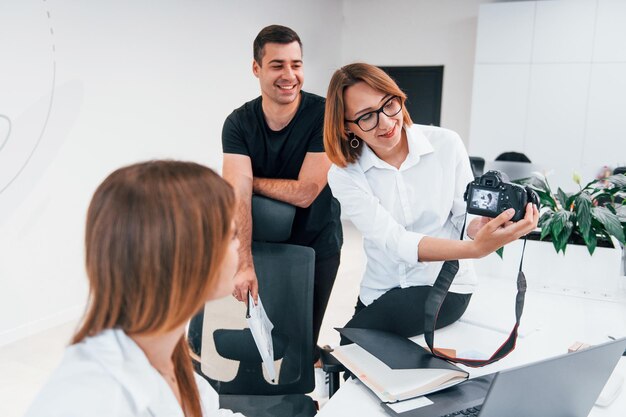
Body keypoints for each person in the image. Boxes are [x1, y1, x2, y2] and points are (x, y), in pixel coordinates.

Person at [323, 63, 538, 343]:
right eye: (366, 117)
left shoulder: (446, 143)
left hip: (445, 285)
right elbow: (394, 240)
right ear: (346, 127)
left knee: (352, 342)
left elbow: (464, 217)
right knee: (354, 355)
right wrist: (474, 249)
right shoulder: (344, 174)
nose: (386, 123)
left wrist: (482, 227)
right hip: (380, 288)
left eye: (389, 104)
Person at [26, 161, 244, 417]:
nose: (239, 246)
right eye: (232, 236)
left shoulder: (168, 355)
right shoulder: (86, 397)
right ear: (187, 257)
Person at [221, 25, 342, 365]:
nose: (289, 75)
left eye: (296, 64)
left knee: (304, 341)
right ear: (256, 68)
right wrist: (244, 261)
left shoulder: (323, 113)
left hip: (317, 243)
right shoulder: (238, 123)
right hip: (263, 245)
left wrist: (247, 180)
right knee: (267, 338)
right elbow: (235, 196)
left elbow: (306, 193)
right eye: (277, 65)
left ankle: (308, 385)